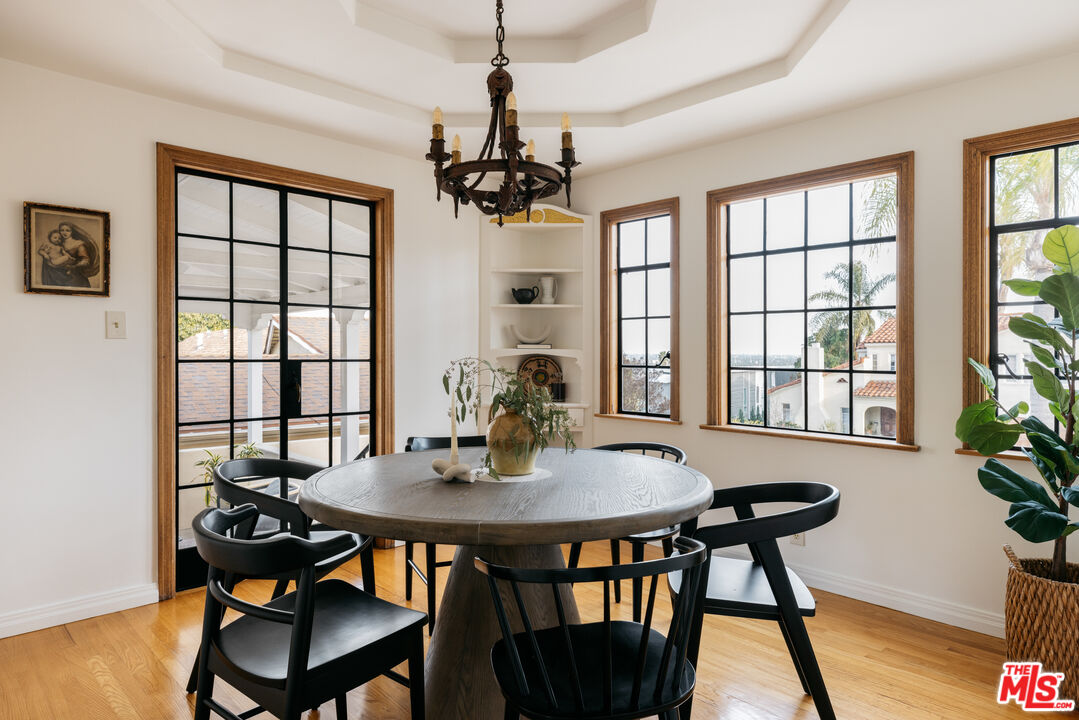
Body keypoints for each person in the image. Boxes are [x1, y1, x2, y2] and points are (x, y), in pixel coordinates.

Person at [54, 221, 99, 288]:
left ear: (72, 231)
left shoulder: (78, 244)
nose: (64, 232)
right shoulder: (58, 243)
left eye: (67, 230)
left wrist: (74, 266)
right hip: (61, 274)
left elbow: (86, 260)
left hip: (75, 275)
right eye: (62, 230)